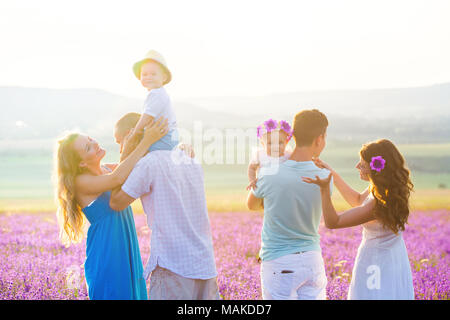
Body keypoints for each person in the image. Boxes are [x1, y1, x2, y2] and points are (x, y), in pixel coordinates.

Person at [54, 117, 168, 299]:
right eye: (88, 147)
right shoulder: (81, 182)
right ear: (82, 163)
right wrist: (146, 141)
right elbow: (118, 178)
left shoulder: (107, 169)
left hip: (125, 247)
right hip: (107, 252)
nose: (94, 143)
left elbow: (136, 163)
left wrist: (176, 150)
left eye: (90, 139)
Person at [109, 113, 219, 300]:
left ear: (130, 135)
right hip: (205, 265)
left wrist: (127, 152)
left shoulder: (149, 164)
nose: (120, 149)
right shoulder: (188, 158)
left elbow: (116, 202)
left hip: (173, 266)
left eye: (120, 142)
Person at [302, 139, 415, 300]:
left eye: (362, 164)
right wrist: (332, 174)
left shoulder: (378, 204)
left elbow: (333, 222)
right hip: (392, 259)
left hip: (375, 264)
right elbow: (357, 199)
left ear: (376, 168)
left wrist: (324, 190)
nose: (357, 167)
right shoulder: (383, 191)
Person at [247, 109, 332, 300]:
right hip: (312, 259)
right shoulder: (324, 175)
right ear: (319, 139)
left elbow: (251, 204)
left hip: (278, 261)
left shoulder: (269, 173)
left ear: (291, 138)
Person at [129, 49, 180, 152]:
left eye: (153, 74)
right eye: (144, 74)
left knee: (139, 151)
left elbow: (147, 117)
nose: (148, 77)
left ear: (164, 77)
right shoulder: (158, 93)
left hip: (165, 138)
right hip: (168, 137)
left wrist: (135, 133)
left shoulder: (156, 94)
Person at [246, 119, 293, 191]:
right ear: (263, 144)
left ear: (286, 142)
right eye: (270, 143)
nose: (275, 146)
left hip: (282, 188)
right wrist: (252, 180)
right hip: (264, 187)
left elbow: (297, 164)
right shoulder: (260, 155)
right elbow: (252, 168)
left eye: (280, 143)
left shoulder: (288, 155)